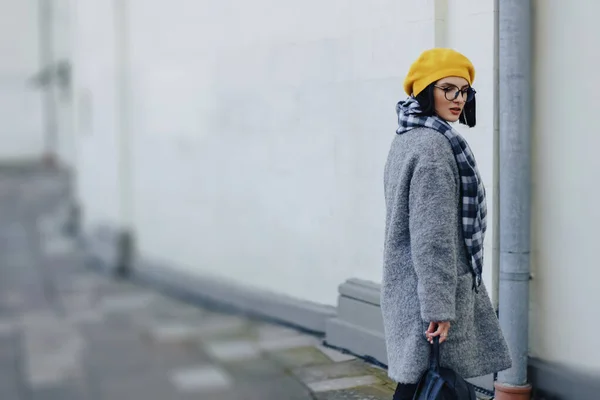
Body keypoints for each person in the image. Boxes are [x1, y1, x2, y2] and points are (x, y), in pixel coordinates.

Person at [381, 48, 512, 399]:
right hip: (432, 290)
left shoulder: (407, 137)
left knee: (424, 383)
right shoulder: (435, 149)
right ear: (426, 91)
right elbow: (431, 236)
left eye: (464, 91)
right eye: (448, 89)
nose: (458, 99)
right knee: (429, 384)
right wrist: (438, 307)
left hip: (411, 283)